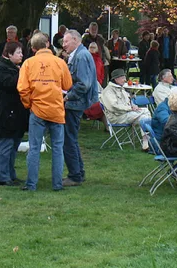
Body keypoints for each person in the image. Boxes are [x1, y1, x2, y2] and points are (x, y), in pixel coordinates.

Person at [17, 32, 72, 191]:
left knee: (34, 148)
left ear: (33, 48)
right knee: (57, 148)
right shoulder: (60, 62)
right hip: (56, 109)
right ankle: (57, 184)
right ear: (48, 44)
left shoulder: (28, 63)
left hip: (37, 110)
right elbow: (67, 85)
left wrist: (29, 104)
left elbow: (22, 88)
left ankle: (31, 184)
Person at [62, 29, 99, 187]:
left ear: (76, 40)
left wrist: (68, 96)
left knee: (68, 140)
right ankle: (79, 172)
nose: (63, 45)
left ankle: (75, 175)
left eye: (66, 41)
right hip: (77, 102)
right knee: (71, 138)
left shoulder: (81, 56)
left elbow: (83, 84)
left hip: (75, 103)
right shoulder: (81, 54)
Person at [0, 42, 29, 186]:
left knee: (13, 145)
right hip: (5, 114)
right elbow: (12, 84)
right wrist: (24, 74)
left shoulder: (13, 68)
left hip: (15, 114)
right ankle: (1, 176)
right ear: (9, 54)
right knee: (5, 144)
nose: (21, 55)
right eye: (18, 52)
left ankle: (10, 174)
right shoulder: (1, 69)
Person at [101, 68, 152, 150]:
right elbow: (113, 107)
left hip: (126, 115)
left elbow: (128, 101)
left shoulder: (121, 88)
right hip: (116, 117)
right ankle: (149, 141)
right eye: (122, 78)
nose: (125, 80)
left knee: (144, 118)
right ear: (116, 79)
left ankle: (146, 144)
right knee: (145, 112)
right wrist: (130, 108)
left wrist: (133, 105)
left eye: (124, 77)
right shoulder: (108, 91)